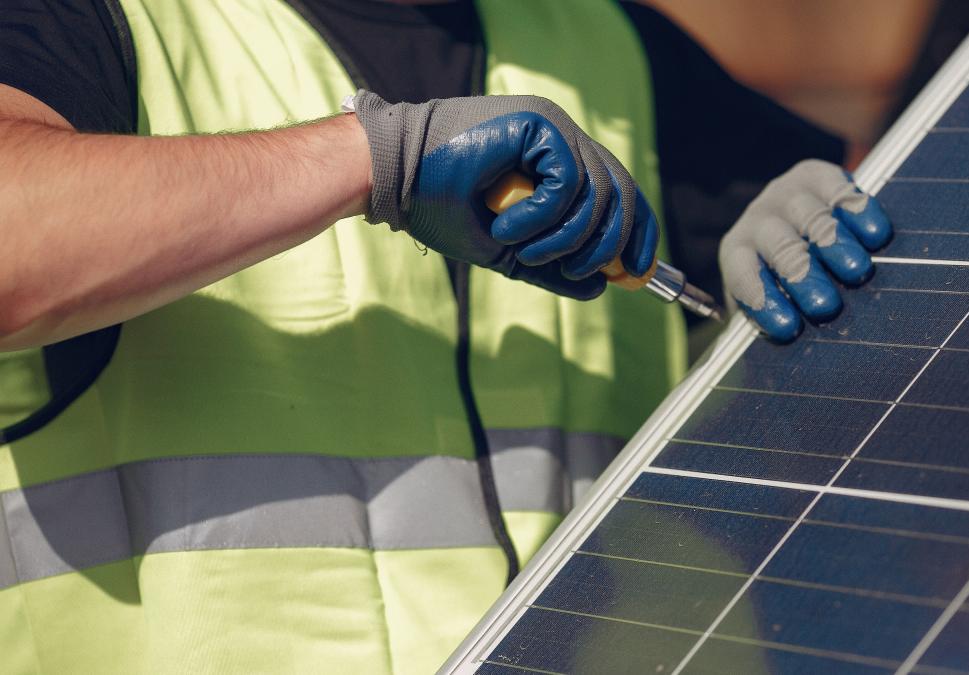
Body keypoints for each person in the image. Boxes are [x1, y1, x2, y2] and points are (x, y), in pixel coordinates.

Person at [0, 0, 890, 672]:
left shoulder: (612, 43)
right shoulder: (90, 22)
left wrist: (837, 236)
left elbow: (934, 350)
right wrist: (370, 159)